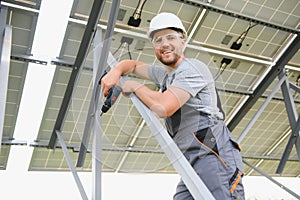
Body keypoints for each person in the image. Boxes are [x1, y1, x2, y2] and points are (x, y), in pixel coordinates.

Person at [101, 12, 245, 200]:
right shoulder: (166, 76)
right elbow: (134, 66)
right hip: (191, 159)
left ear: (183, 41)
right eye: (158, 40)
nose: (165, 44)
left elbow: (163, 107)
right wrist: (117, 70)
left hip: (212, 152)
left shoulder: (192, 68)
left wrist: (134, 86)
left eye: (171, 37)